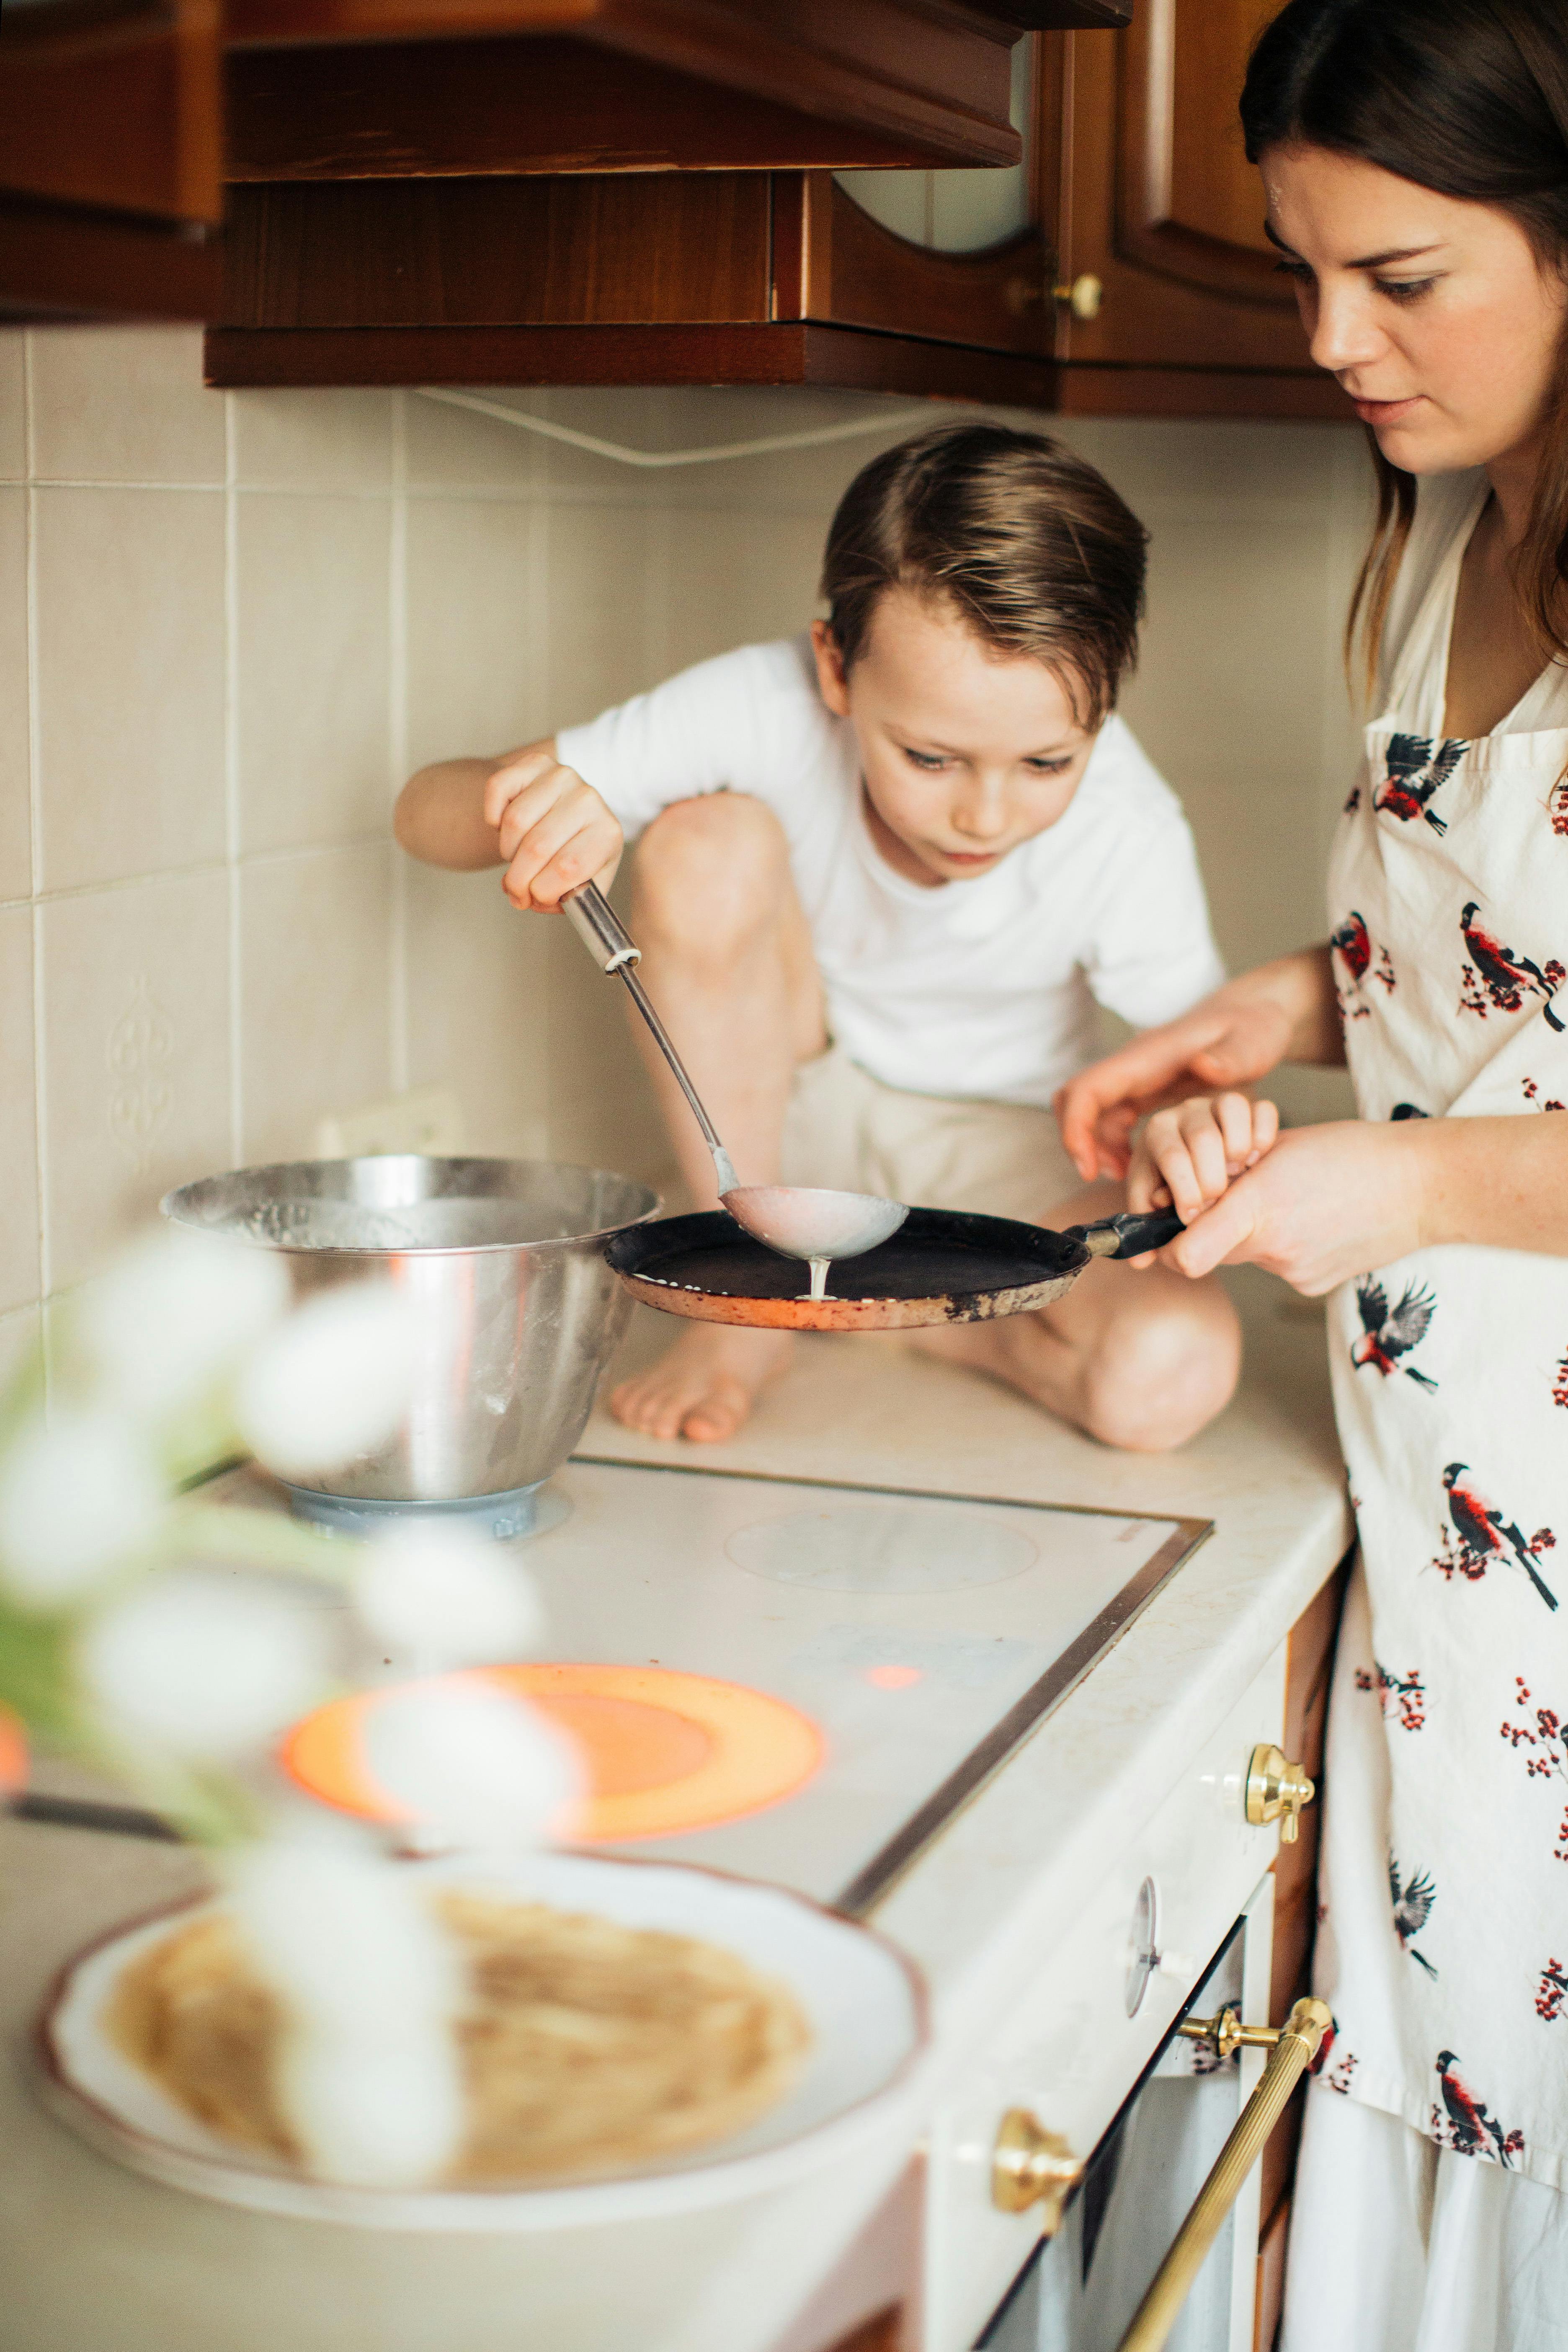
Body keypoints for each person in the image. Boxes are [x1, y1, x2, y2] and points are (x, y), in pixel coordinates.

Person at [1059, 4, 1568, 2342]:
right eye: (1300, 272)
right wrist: (1282, 1006)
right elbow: (1500, 951)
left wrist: (1407, 1191)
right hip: (1463, 1522)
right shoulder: (1458, 518)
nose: (1331, 339)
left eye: (1404, 274)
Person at [396, 423, 1253, 1449]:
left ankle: (870, 1305)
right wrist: (537, 811)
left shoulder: (1129, 824)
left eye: (1045, 763)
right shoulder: (760, 705)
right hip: (790, 1122)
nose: (985, 816)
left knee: (1172, 1373)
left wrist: (1196, 1127)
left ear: (1104, 711)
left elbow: (1202, 1061)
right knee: (706, 837)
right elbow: (421, 810)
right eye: (931, 758)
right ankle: (754, 1280)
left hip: (1010, 1160)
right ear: (835, 669)